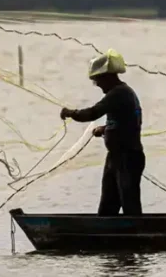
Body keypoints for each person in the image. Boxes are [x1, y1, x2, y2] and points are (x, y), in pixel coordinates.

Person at [60, 48, 145, 216]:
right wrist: (106, 129)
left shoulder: (119, 93)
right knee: (107, 206)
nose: (97, 84)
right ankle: (106, 235)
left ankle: (138, 236)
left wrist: (71, 113)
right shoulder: (121, 93)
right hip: (116, 157)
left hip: (128, 157)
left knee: (130, 205)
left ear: (108, 77)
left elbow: (93, 113)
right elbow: (127, 122)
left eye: (97, 80)